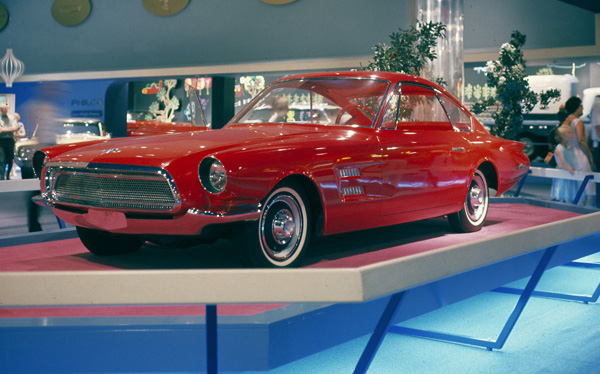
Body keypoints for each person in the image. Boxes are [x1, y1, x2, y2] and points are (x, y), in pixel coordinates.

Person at [563, 96, 595, 204]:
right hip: (579, 154)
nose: (582, 108)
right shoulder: (578, 121)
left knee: (574, 185)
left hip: (569, 154)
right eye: (581, 106)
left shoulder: (566, 121)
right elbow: (581, 139)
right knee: (587, 185)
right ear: (576, 107)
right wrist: (590, 154)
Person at [551, 125, 579, 202]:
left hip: (569, 173)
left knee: (567, 192)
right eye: (569, 133)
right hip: (562, 173)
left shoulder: (570, 147)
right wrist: (568, 167)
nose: (572, 135)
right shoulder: (559, 148)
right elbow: (562, 162)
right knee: (561, 192)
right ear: (563, 136)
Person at [0, 103, 19, 180]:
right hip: (1, 141)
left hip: (10, 141)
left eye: (6, 108)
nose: (5, 110)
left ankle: (8, 175)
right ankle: (2, 176)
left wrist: (3, 129)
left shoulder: (11, 118)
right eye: (4, 109)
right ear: (1, 110)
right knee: (2, 159)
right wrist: (9, 129)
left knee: (10, 158)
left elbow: (15, 128)